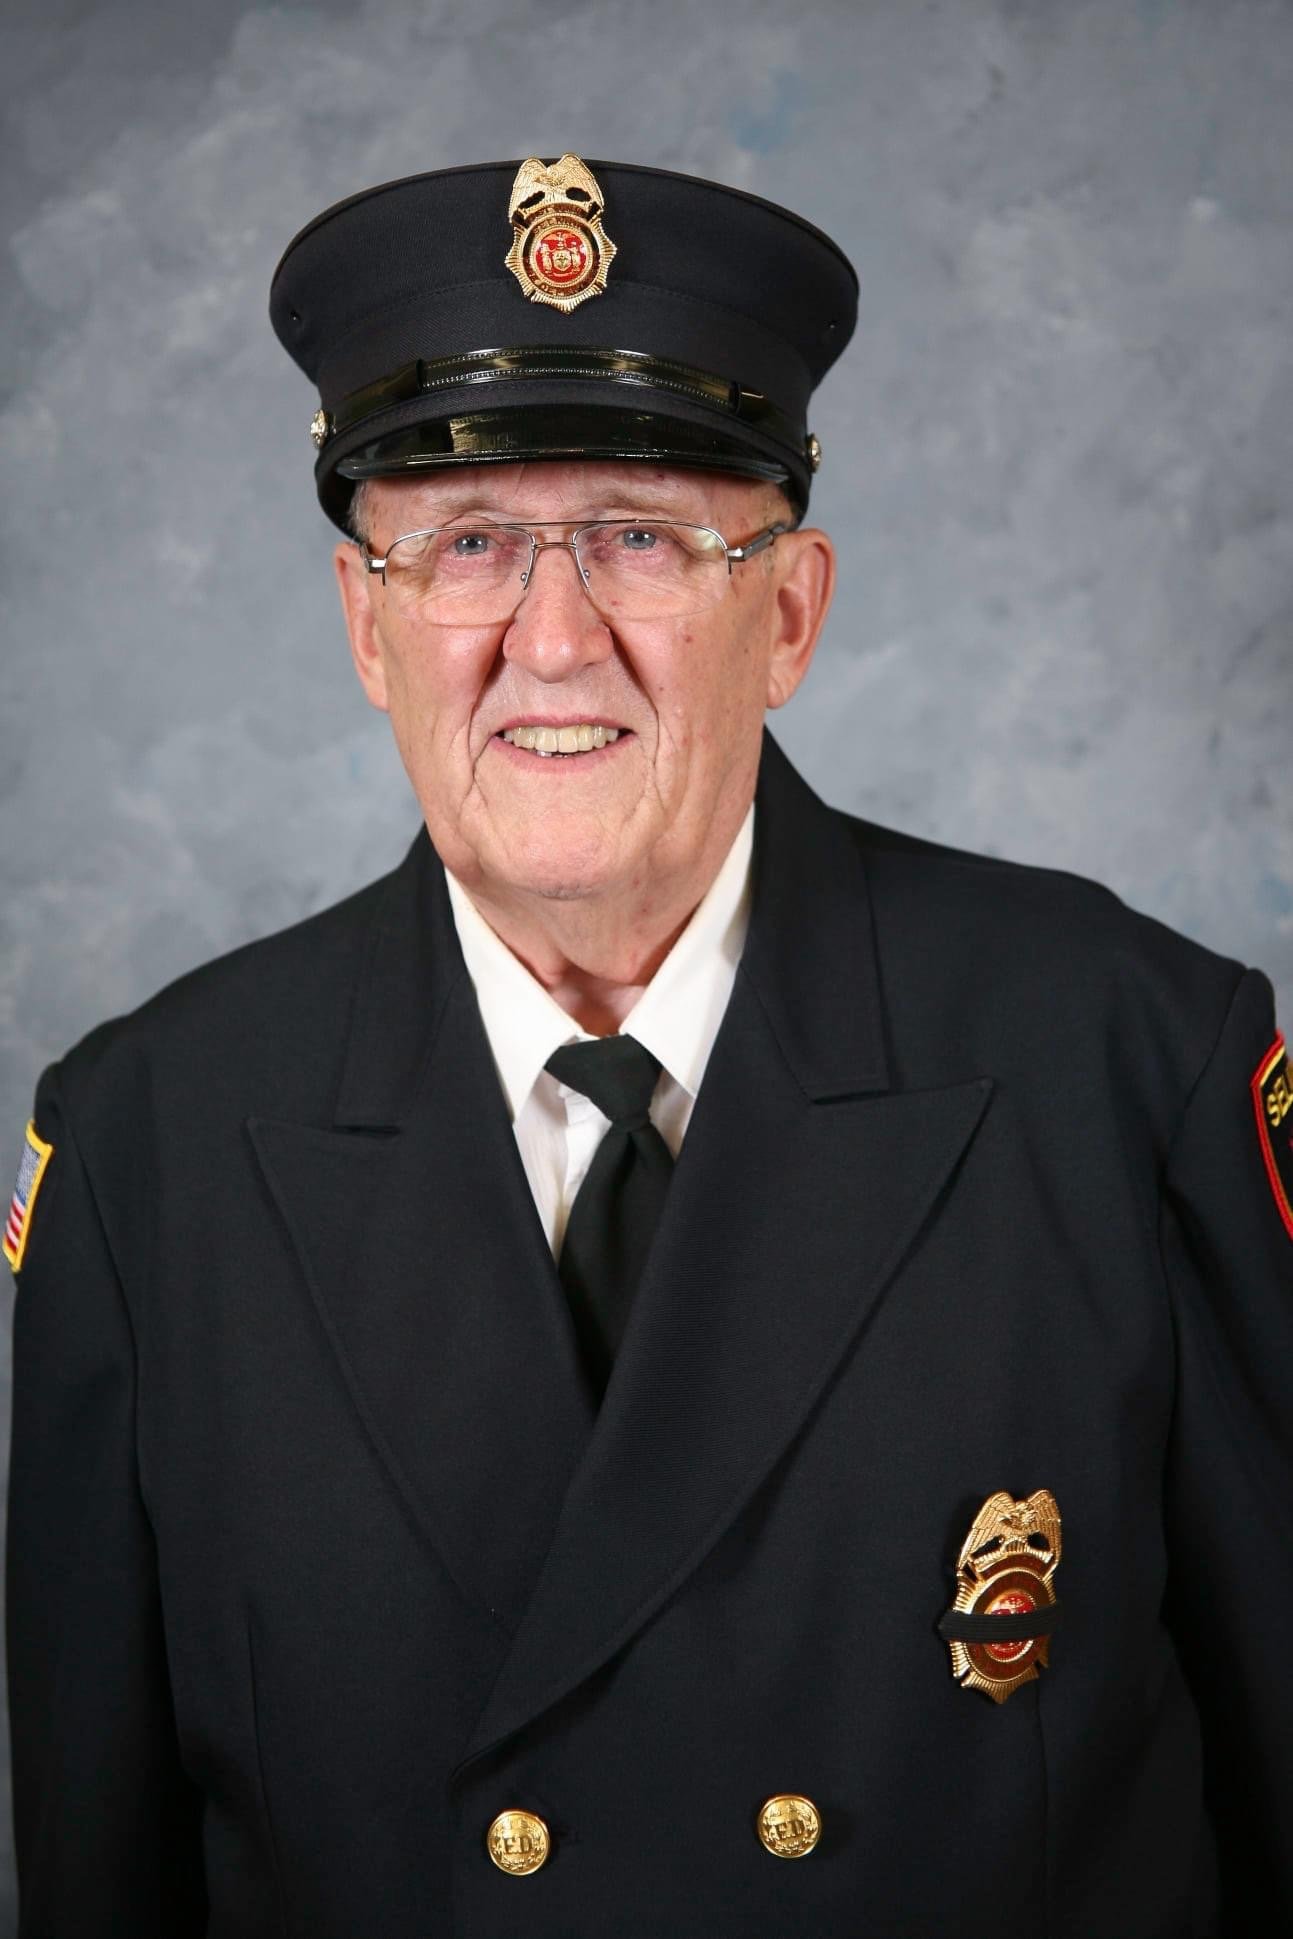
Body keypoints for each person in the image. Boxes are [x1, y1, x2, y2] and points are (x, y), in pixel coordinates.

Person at [5, 153, 1291, 1939]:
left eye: (640, 537)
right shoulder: (149, 1146)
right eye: (465, 545)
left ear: (788, 613)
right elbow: (97, 1872)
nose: (552, 644)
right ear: (367, 623)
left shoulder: (1131, 1065)